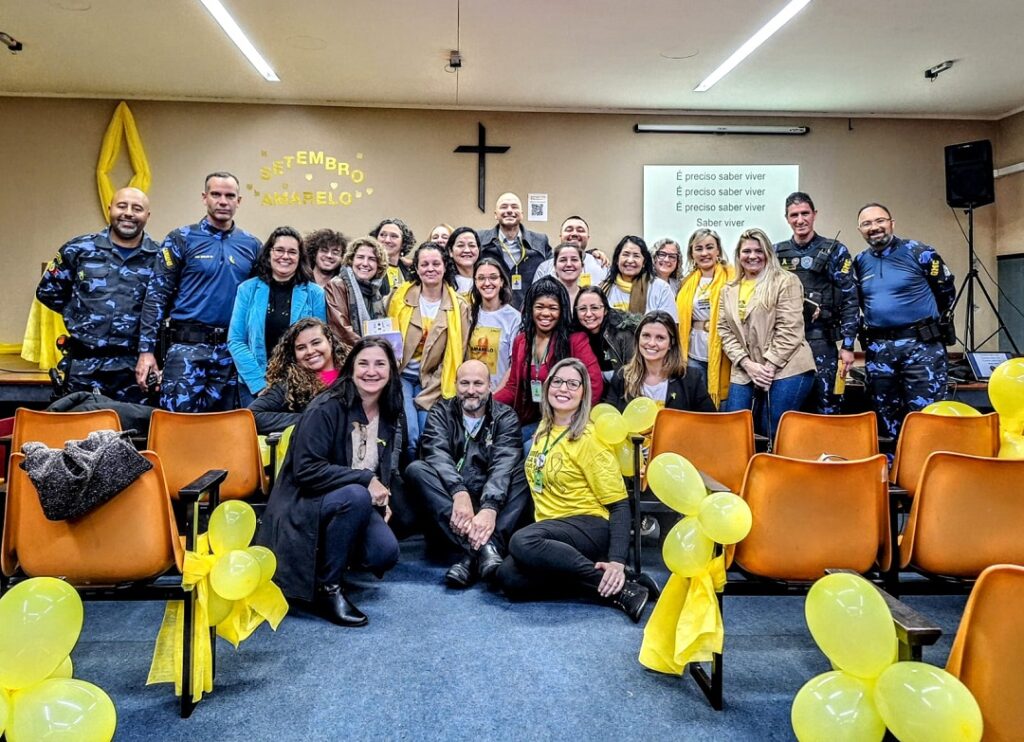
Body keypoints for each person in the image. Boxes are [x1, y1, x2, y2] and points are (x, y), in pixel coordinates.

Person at [258, 337, 404, 627]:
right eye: (363, 364)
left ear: (391, 371)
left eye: (380, 364)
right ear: (351, 369)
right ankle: (329, 589)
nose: (371, 371)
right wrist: (366, 480)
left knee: (384, 553)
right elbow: (306, 471)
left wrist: (382, 494)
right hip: (304, 499)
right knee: (356, 495)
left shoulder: (390, 409)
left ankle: (328, 554)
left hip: (346, 499)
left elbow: (383, 461)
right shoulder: (325, 407)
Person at [495, 358, 650, 622]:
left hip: (590, 526)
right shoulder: (543, 429)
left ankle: (621, 588)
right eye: (557, 381)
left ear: (583, 393)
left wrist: (617, 560)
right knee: (508, 577)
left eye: (572, 384)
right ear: (547, 388)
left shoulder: (590, 439)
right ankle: (623, 582)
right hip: (553, 531)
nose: (563, 388)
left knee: (523, 541)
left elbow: (619, 504)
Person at [137, 171, 262, 412]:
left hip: (232, 352)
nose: (223, 201)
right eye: (216, 194)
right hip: (186, 348)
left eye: (230, 196)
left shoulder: (252, 245)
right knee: (177, 424)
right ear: (204, 198)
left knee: (228, 424)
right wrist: (146, 352)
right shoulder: (181, 239)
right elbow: (156, 297)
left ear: (239, 201)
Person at [406, 360, 530, 588]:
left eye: (478, 383)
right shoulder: (440, 412)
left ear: (490, 385)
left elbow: (503, 466)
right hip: (451, 508)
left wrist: (490, 507)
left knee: (525, 470)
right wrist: (459, 492)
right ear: (455, 384)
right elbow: (436, 454)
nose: (471, 390)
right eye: (464, 383)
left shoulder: (506, 417)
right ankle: (487, 549)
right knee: (417, 470)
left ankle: (470, 557)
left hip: (491, 507)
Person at [36, 187, 158, 403]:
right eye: (122, 206)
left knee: (134, 424)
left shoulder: (160, 257)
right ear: (109, 209)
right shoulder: (78, 249)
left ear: (147, 215)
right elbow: (48, 292)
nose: (128, 213)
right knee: (79, 422)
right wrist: (82, 314)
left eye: (137, 208)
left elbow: (168, 304)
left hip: (135, 368)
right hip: (85, 364)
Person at [853, 203, 956, 439]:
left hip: (921, 347)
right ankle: (891, 462)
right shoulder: (859, 262)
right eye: (867, 224)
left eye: (880, 221)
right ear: (860, 230)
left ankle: (924, 462)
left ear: (892, 223)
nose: (874, 227)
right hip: (879, 350)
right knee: (884, 419)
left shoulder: (920, 252)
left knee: (927, 418)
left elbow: (945, 292)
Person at [718, 229, 816, 438]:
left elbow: (790, 330)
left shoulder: (785, 281)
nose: (752, 256)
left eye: (759, 250)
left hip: (786, 366)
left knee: (769, 427)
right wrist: (747, 364)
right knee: (734, 426)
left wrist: (768, 368)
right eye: (746, 251)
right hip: (747, 367)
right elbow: (724, 330)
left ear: (768, 253)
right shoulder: (728, 289)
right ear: (738, 255)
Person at [773, 192, 860, 414]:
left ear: (814, 214)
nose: (800, 220)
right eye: (794, 215)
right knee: (788, 409)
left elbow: (850, 299)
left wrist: (848, 346)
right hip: (786, 343)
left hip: (822, 341)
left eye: (805, 213)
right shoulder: (776, 252)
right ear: (787, 218)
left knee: (827, 406)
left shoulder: (835, 250)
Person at [495, 278, 603, 444]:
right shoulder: (521, 341)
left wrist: (572, 422)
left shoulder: (575, 340)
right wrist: (487, 403)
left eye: (553, 308)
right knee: (500, 444)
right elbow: (513, 386)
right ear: (530, 308)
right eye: (539, 307)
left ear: (562, 311)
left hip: (565, 422)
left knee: (527, 448)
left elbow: (594, 385)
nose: (545, 313)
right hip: (529, 420)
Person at [388, 242, 470, 456]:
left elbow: (457, 353)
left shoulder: (459, 306)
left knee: (429, 434)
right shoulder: (400, 298)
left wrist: (429, 391)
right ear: (416, 268)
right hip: (401, 376)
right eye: (424, 264)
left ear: (445, 266)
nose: (430, 269)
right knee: (410, 434)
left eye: (436, 263)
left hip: (436, 380)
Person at [228, 227, 328, 405]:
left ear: (300, 257)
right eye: (279, 250)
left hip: (302, 385)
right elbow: (236, 340)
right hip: (254, 385)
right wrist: (259, 385)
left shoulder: (315, 293)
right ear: (269, 254)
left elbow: (322, 343)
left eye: (292, 252)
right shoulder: (247, 290)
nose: (285, 256)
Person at [249, 317, 346, 435]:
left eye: (316, 343)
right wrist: (310, 420)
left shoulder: (355, 372)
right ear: (294, 353)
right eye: (301, 348)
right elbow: (252, 415)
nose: (310, 351)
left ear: (329, 341)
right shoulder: (289, 384)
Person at [603, 312, 716, 413]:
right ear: (638, 339)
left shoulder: (691, 378)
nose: (651, 343)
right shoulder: (622, 376)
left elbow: (711, 422)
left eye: (660, 338)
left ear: (671, 343)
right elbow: (609, 417)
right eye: (646, 336)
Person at [676, 228, 733, 407]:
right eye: (698, 248)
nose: (704, 253)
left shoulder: (733, 277)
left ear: (718, 250)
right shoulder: (686, 282)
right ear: (692, 253)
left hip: (725, 353)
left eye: (709, 247)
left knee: (723, 405)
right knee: (698, 404)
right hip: (694, 354)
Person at [478, 192, 552, 307]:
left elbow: (553, 271)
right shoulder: (481, 240)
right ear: (496, 214)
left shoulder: (540, 241)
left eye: (514, 207)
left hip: (528, 313)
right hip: (491, 310)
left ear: (521, 214)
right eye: (504, 207)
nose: (509, 210)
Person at [465, 257, 521, 391]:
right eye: (481, 278)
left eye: (493, 277)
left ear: (502, 281)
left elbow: (513, 365)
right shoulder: (466, 313)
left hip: (500, 394)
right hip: (470, 392)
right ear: (475, 282)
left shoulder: (514, 318)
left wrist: (496, 395)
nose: (487, 283)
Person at [324, 236, 390, 348]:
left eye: (372, 259)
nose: (365, 263)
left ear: (379, 265)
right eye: (360, 257)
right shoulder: (337, 285)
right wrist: (368, 349)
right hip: (350, 353)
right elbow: (342, 330)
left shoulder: (375, 290)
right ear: (351, 260)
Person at [600, 236, 678, 320]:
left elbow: (670, 324)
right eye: (626, 254)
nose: (630, 260)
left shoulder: (660, 288)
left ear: (644, 262)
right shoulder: (604, 289)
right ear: (617, 260)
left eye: (636, 256)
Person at [573, 286, 636, 382]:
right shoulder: (574, 337)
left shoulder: (624, 333)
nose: (588, 314)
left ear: (605, 310)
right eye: (582, 309)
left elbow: (633, 375)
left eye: (594, 308)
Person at [532, 216, 609, 286]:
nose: (574, 233)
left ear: (588, 238)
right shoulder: (545, 268)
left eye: (580, 230)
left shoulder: (601, 265)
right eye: (569, 230)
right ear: (561, 236)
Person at [370, 217, 416, 293]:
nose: (387, 240)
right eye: (382, 235)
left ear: (403, 243)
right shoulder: (369, 267)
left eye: (394, 236)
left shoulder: (408, 270)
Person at [550, 242, 587, 308]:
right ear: (555, 266)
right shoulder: (544, 297)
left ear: (582, 266)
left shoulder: (590, 297)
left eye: (574, 259)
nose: (569, 264)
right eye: (563, 260)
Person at [446, 226, 481, 295]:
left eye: (472, 245)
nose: (467, 250)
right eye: (460, 245)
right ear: (450, 251)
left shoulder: (487, 281)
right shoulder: (444, 284)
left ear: (479, 250)